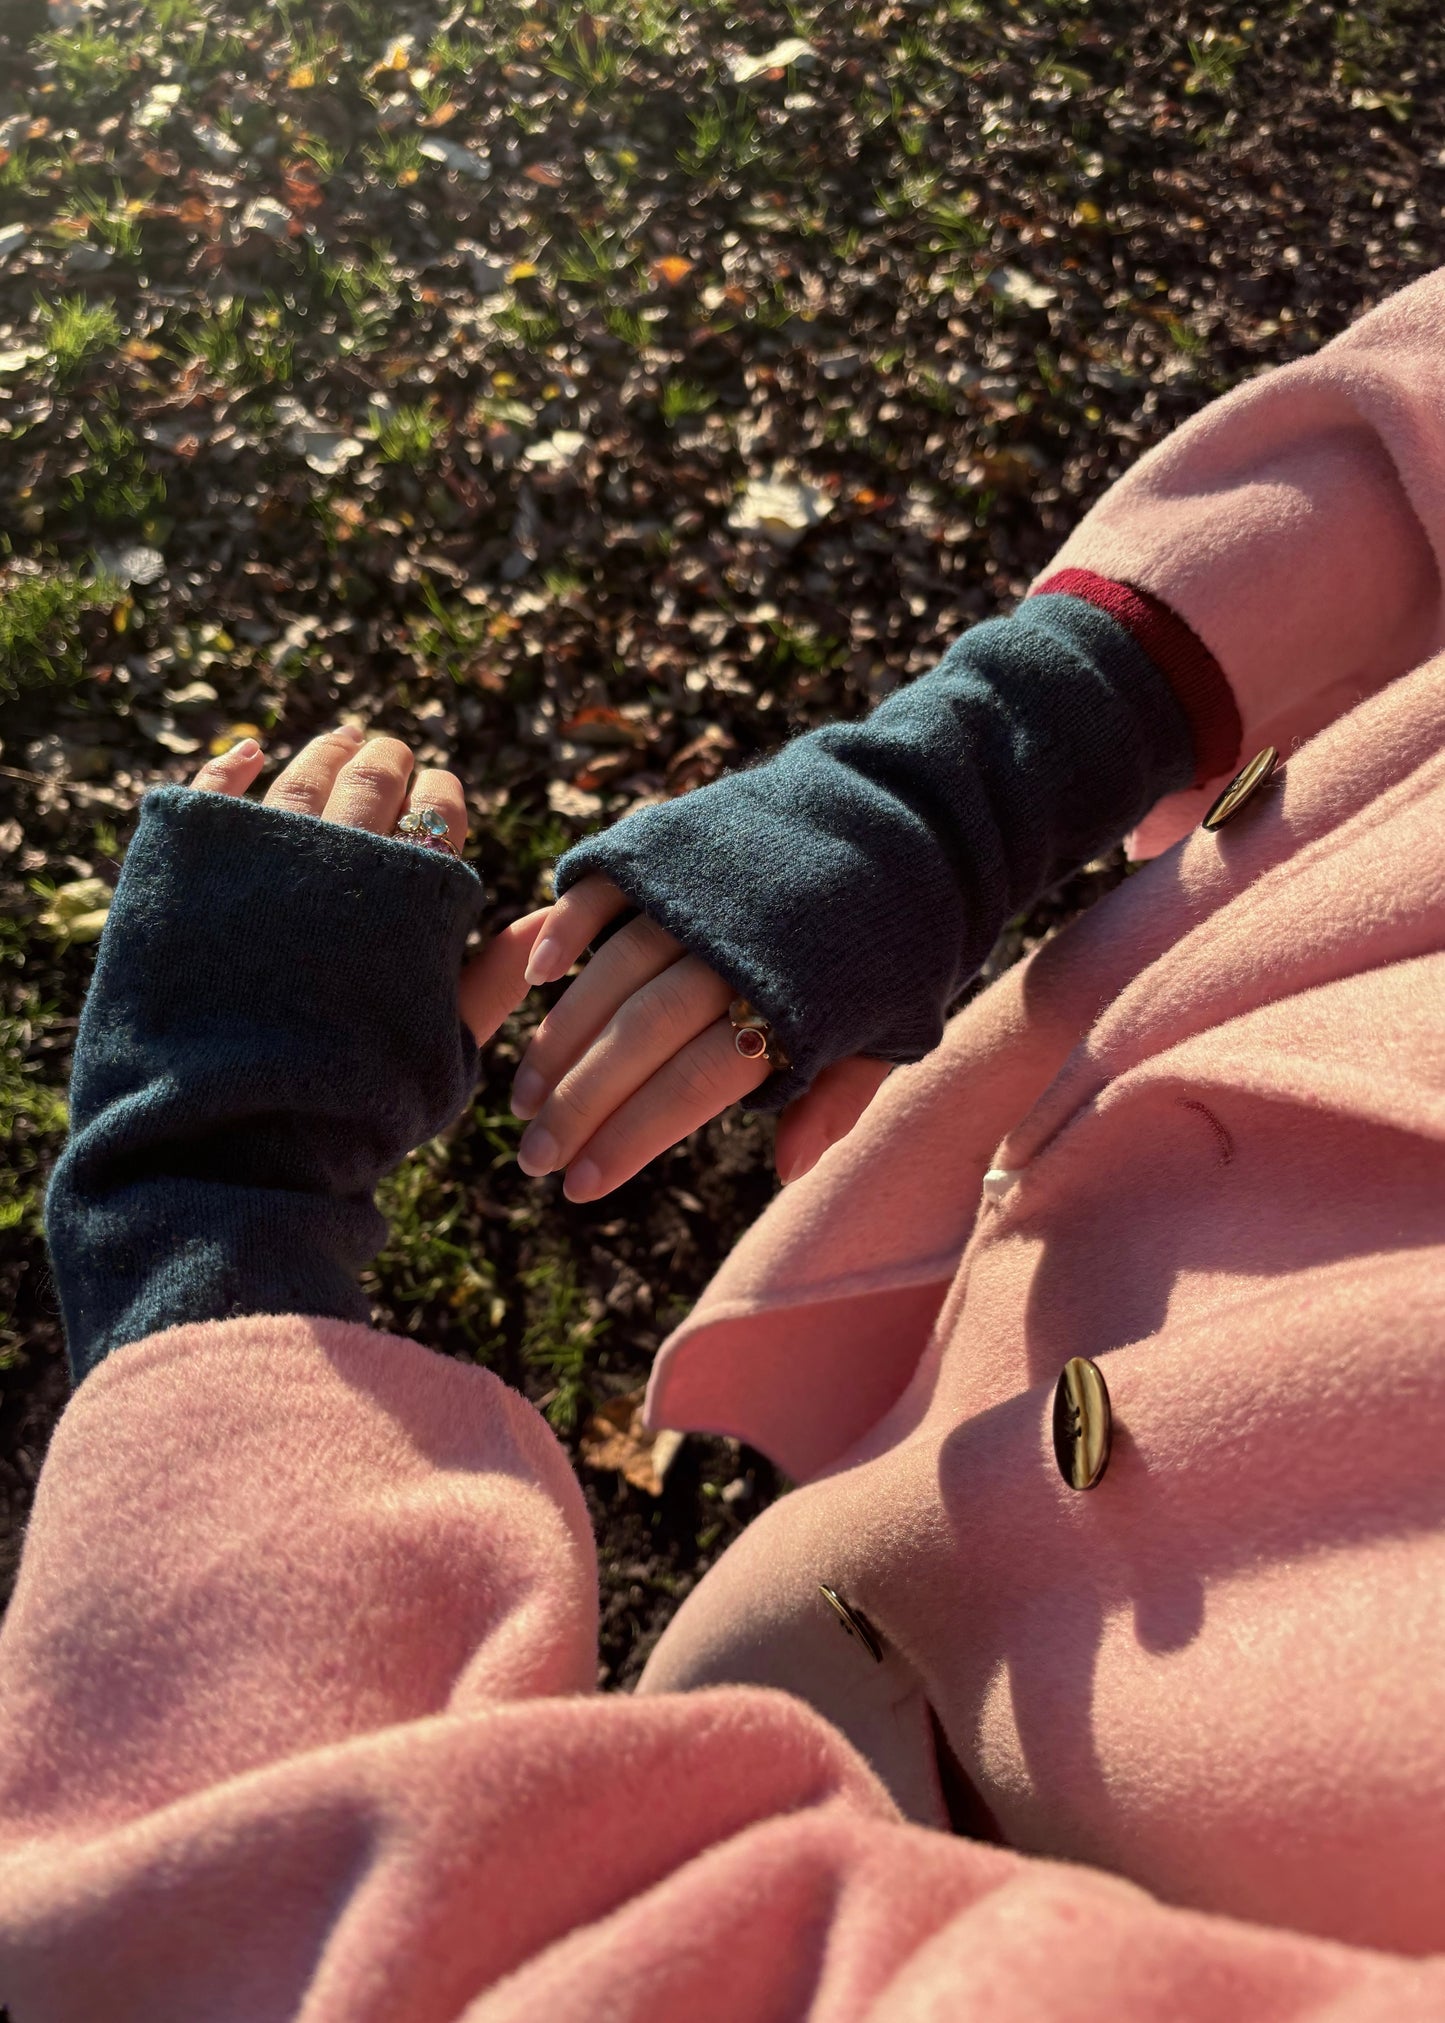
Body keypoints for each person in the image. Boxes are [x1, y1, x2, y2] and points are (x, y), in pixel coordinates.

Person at [0, 268, 1443, 2021]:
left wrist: (204, 1233)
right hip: (992, 1389)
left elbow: (263, 1957)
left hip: (991, 1800)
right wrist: (1005, 749)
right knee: (801, 1607)